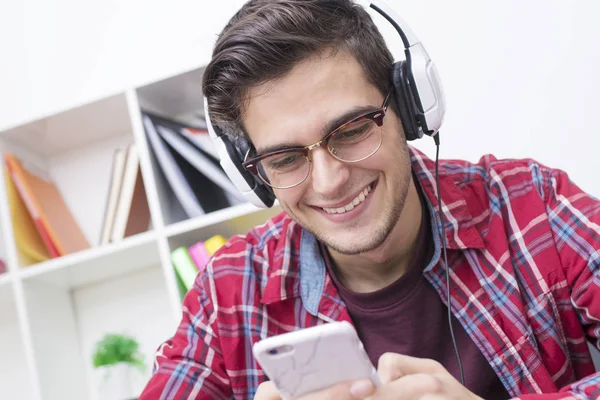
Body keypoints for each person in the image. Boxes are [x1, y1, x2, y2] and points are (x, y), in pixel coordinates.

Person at [140, 1, 600, 399]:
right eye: (283, 159)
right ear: (253, 174)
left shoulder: (531, 204)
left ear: (409, 104)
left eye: (353, 130)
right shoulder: (228, 290)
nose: (329, 181)